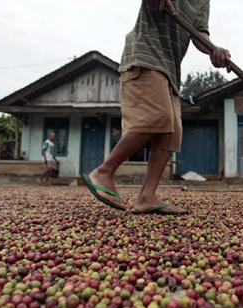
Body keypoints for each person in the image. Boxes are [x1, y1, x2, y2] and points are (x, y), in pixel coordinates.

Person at [81, 0, 231, 214]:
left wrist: (214, 50)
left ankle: (147, 196)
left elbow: (199, 34)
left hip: (170, 68)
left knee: (171, 133)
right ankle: (104, 171)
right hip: (146, 56)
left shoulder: (203, 1)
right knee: (156, 117)